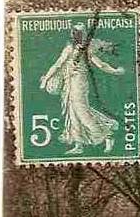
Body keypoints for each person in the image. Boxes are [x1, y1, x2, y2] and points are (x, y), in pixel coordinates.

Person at [39, 23, 125, 155]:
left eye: (80, 33)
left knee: (82, 112)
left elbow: (100, 64)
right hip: (69, 84)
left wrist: (115, 71)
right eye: (76, 33)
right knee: (72, 113)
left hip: (79, 83)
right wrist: (45, 79)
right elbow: (57, 65)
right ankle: (78, 144)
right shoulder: (69, 49)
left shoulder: (87, 49)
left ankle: (107, 136)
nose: (78, 36)